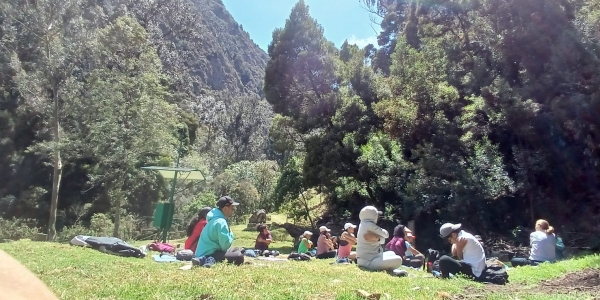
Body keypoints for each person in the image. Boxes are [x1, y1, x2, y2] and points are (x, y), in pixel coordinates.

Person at [193, 196, 244, 267]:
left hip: (201, 253)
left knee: (236, 249)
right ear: (225, 208)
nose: (234, 210)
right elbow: (225, 246)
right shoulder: (221, 222)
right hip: (211, 253)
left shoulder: (213, 219)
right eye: (232, 208)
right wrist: (231, 234)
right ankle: (206, 259)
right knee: (239, 256)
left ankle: (202, 259)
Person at [356, 206, 406, 276]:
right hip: (369, 262)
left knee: (392, 253)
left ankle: (391, 269)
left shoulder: (363, 224)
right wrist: (379, 238)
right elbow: (386, 235)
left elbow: (382, 241)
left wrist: (378, 238)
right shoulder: (370, 225)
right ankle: (392, 269)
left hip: (368, 258)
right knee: (398, 259)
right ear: (373, 216)